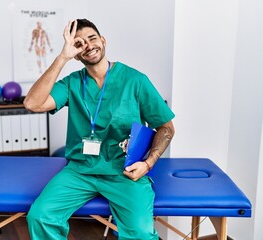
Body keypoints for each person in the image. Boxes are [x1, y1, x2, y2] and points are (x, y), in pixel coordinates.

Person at [24, 19, 175, 240]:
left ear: (103, 41)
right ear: (76, 53)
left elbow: (166, 127)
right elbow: (33, 103)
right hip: (80, 170)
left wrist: (148, 163)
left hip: (124, 171)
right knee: (40, 216)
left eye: (92, 38)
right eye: (80, 43)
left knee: (141, 232)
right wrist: (62, 57)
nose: (88, 45)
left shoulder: (135, 80)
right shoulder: (71, 83)